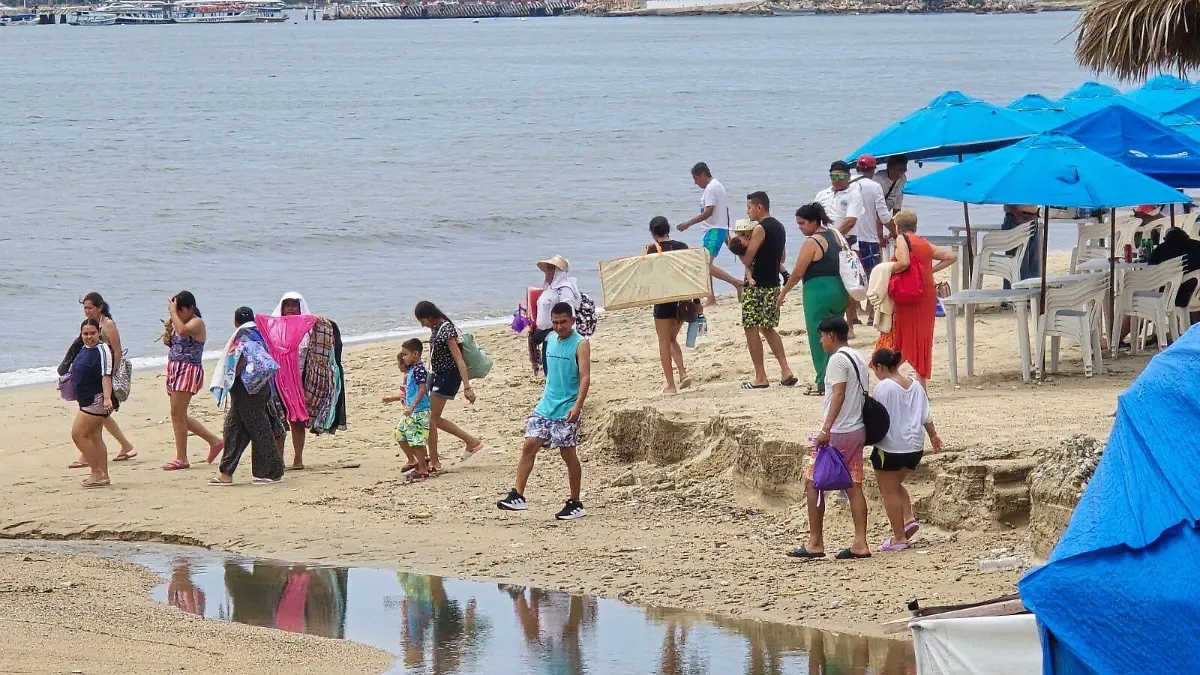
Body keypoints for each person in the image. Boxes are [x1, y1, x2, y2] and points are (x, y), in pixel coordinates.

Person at [497, 302, 591, 520]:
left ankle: (576, 502)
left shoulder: (581, 344)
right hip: (545, 406)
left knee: (568, 454)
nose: (559, 327)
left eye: (563, 322)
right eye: (556, 323)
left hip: (566, 408)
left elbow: (585, 376)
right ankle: (517, 495)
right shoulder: (549, 340)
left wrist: (578, 406)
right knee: (529, 445)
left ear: (572, 321)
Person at [788, 317, 870, 560]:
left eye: (822, 336)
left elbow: (838, 393)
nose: (821, 341)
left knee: (813, 481)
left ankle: (815, 542)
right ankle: (860, 542)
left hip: (840, 431)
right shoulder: (857, 358)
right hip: (857, 428)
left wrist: (826, 429)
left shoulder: (837, 360)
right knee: (853, 485)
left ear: (831, 335)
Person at [869, 348, 943, 552]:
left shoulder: (884, 387)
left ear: (880, 367)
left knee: (888, 490)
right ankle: (908, 518)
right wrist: (934, 436)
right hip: (915, 447)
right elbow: (926, 415)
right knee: (895, 483)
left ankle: (899, 537)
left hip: (891, 446)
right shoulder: (916, 386)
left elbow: (876, 415)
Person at [209, 307, 286, 486]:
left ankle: (271, 471)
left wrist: (227, 382)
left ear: (234, 321)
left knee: (257, 428)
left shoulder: (241, 336)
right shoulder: (258, 333)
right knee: (236, 429)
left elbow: (237, 362)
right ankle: (226, 473)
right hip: (260, 387)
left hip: (245, 390)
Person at [778, 203, 850, 395]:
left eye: (802, 223)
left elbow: (797, 273)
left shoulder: (812, 242)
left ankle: (824, 383)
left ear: (813, 222)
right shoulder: (835, 235)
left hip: (818, 291)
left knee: (819, 337)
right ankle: (844, 378)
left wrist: (783, 292)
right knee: (838, 336)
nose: (799, 227)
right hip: (840, 288)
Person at [881, 211, 957, 387]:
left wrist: (886, 270)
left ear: (897, 227)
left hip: (908, 295)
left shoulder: (902, 239)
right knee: (922, 339)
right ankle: (921, 386)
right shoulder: (924, 242)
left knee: (901, 335)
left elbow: (904, 262)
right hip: (926, 296)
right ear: (915, 226)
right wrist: (930, 271)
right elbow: (951, 256)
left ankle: (890, 377)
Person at [414, 301, 485, 471]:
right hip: (437, 375)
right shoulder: (436, 328)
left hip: (448, 377)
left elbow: (459, 358)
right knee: (431, 418)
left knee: (431, 417)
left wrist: (467, 387)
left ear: (429, 316)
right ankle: (467, 443)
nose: (422, 324)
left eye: (422, 320)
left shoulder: (446, 328)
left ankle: (438, 459)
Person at [69, 292, 136, 468]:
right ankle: (125, 446)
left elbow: (117, 351)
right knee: (99, 416)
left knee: (96, 414)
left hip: (105, 375)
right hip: (94, 376)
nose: (87, 311)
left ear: (100, 307)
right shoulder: (92, 325)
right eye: (84, 308)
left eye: (90, 307)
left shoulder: (107, 324)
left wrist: (110, 375)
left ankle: (89, 454)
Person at [738, 191, 796, 390]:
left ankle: (760, 376)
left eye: (749, 208)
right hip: (773, 283)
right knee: (768, 327)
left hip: (757, 286)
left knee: (751, 328)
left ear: (759, 207)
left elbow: (747, 259)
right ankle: (785, 370)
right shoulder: (779, 227)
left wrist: (737, 247)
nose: (748, 212)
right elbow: (782, 258)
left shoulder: (760, 229)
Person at [162, 291, 223, 471]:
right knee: (179, 414)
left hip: (188, 369)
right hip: (175, 368)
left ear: (190, 309)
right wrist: (167, 329)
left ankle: (182, 457)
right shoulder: (178, 322)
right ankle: (215, 441)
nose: (176, 314)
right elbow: (171, 342)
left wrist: (173, 314)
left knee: (177, 414)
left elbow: (183, 331)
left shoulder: (197, 322)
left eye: (180, 310)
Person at [675, 162, 744, 305]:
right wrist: (726, 232)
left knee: (705, 265)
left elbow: (708, 212)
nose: (695, 183)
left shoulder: (712, 188)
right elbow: (725, 210)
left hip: (714, 230)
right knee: (706, 264)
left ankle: (736, 283)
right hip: (716, 229)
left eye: (696, 179)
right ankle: (711, 297)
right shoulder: (718, 186)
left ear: (703, 175)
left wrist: (688, 223)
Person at [815, 160, 867, 333]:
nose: (836, 180)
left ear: (848, 177)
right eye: (833, 176)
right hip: (823, 242)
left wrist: (833, 236)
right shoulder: (822, 194)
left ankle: (850, 324)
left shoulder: (854, 194)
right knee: (829, 281)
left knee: (848, 283)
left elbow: (851, 221)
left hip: (846, 242)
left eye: (840, 176)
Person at [646, 216, 696, 394]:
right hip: (682, 301)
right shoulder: (682, 247)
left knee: (663, 341)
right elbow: (692, 275)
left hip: (663, 301)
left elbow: (645, 274)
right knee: (672, 339)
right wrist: (696, 301)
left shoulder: (652, 249)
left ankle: (671, 385)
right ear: (668, 230)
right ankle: (682, 373)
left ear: (653, 233)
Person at [68, 318, 114, 488]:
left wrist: (108, 398)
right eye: (85, 334)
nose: (89, 337)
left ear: (99, 332)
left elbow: (106, 375)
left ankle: (96, 472)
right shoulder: (83, 348)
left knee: (78, 434)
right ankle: (103, 475)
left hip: (95, 400)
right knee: (94, 437)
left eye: (92, 333)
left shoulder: (102, 350)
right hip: (84, 399)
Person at [850, 154, 896, 321]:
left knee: (852, 276)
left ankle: (854, 313)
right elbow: (884, 216)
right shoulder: (875, 186)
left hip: (850, 238)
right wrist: (897, 232)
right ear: (873, 170)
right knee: (873, 277)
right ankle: (870, 312)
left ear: (857, 169)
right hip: (869, 238)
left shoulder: (848, 184)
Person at [384, 338, 433, 481]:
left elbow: (422, 389)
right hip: (413, 410)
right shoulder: (411, 370)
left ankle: (423, 468)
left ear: (415, 354)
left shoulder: (419, 370)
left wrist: (412, 406)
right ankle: (414, 460)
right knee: (400, 434)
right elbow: (408, 392)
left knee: (416, 439)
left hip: (419, 410)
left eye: (405, 354)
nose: (404, 357)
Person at [272, 292, 311, 470]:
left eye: (294, 305)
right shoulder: (274, 327)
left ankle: (298, 458)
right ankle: (279, 458)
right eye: (287, 305)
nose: (291, 308)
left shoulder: (308, 328)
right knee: (278, 420)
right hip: (278, 380)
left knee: (297, 420)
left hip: (300, 379)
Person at [529, 256, 582, 377]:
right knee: (549, 371)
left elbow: (569, 313)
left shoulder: (564, 290)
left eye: (550, 269)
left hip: (556, 335)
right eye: (547, 269)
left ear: (557, 271)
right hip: (546, 337)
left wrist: (564, 337)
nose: (547, 272)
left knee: (557, 371)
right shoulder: (549, 289)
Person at [1149, 227, 1200, 309]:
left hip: (1172, 297)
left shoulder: (1160, 249)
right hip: (1197, 294)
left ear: (1166, 238)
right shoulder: (1198, 245)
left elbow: (1150, 273)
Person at [1001, 204, 1041, 285]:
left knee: (1034, 265)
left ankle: (1029, 295)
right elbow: (1005, 197)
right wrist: (1019, 215)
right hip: (1016, 218)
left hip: (1032, 218)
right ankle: (1013, 295)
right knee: (1018, 266)